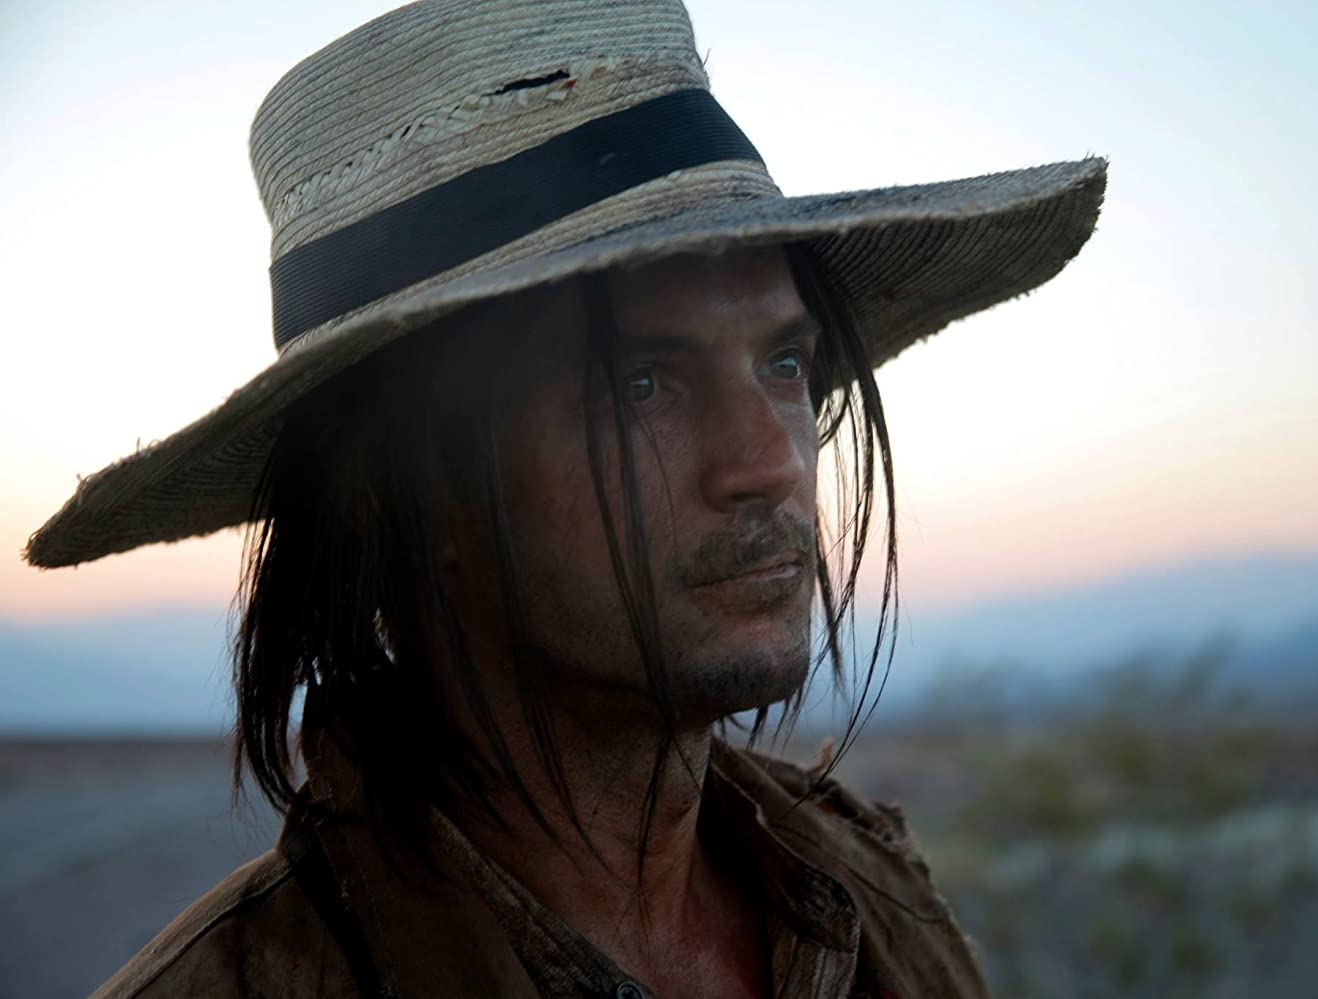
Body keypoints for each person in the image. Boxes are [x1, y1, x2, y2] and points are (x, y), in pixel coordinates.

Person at [26, 1, 1105, 995]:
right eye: (640, 384)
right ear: (398, 497)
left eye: (785, 363)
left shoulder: (872, 900)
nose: (768, 461)